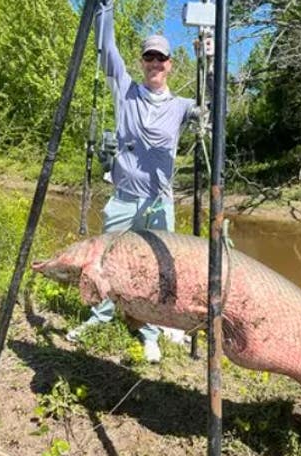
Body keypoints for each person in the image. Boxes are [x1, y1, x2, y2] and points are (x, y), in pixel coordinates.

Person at [66, 0, 202, 363]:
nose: (155, 63)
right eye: (149, 57)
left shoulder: (181, 105)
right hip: (124, 198)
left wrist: (208, 58)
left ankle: (150, 330)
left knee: (157, 269)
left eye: (161, 58)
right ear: (142, 62)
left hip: (159, 202)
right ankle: (100, 316)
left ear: (170, 64)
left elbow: (210, 108)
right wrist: (104, 10)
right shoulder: (125, 91)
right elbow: (107, 49)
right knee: (107, 259)